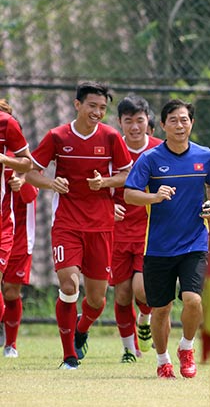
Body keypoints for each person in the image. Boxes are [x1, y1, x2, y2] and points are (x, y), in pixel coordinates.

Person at [26, 81, 133, 370]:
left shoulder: (111, 137)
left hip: (101, 225)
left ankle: (82, 328)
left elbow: (126, 174)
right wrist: (52, 182)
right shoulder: (58, 136)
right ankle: (69, 357)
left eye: (102, 108)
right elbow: (31, 174)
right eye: (92, 106)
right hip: (67, 224)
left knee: (97, 300)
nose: (98, 112)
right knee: (70, 284)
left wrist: (105, 182)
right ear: (77, 105)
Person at [124, 99, 210, 379]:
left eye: (185, 119)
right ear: (163, 125)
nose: (180, 125)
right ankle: (162, 359)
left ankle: (187, 347)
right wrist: (153, 197)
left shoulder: (206, 156)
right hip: (158, 246)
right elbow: (130, 193)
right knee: (161, 308)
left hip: (194, 242)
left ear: (191, 123)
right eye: (174, 120)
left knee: (192, 300)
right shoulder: (150, 159)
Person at [111, 95, 162, 363]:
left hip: (149, 231)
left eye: (139, 120)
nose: (134, 126)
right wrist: (108, 206)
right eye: (128, 121)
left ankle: (145, 317)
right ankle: (129, 349)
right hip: (117, 231)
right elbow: (97, 185)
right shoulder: (111, 148)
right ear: (120, 122)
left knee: (143, 290)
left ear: (147, 122)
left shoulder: (159, 149)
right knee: (122, 294)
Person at [0, 99, 32, 331]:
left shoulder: (7, 126)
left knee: (11, 290)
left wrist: (17, 179)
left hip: (8, 226)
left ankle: (11, 343)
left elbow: (28, 165)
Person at [1, 171, 38, 358]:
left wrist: (22, 181)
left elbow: (30, 196)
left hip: (20, 239)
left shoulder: (27, 164)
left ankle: (10, 344)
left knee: (10, 291)